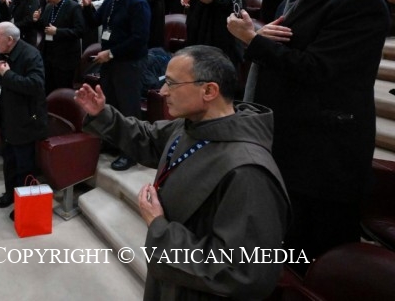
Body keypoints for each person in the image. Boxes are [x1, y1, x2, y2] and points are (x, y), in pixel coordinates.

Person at [75, 45, 289, 300]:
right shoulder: (193, 125)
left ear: (209, 90)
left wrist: (159, 228)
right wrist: (103, 115)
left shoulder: (248, 172)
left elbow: (243, 272)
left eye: (173, 84)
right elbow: (149, 139)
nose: (162, 91)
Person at [227, 0, 389, 271]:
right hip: (292, 134)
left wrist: (253, 40)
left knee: (323, 246)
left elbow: (318, 69)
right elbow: (290, 49)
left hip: (326, 146)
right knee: (290, 232)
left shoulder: (359, 2)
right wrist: (259, 34)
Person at [82, 0, 150, 171]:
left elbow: (139, 39)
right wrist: (87, 7)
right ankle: (112, 142)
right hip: (110, 63)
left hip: (129, 63)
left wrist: (111, 53)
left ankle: (131, 152)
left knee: (128, 108)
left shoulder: (138, 3)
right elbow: (95, 22)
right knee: (110, 103)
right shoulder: (111, 0)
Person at [0, 22, 47, 216]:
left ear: (10, 39)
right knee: (8, 160)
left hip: (25, 120)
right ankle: (10, 193)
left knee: (24, 165)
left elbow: (35, 85)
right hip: (6, 115)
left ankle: (25, 204)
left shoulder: (31, 55)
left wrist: (7, 75)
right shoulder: (3, 52)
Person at [33, 0, 86, 94]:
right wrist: (37, 21)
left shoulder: (73, 7)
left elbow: (80, 31)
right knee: (49, 88)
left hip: (65, 57)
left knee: (63, 89)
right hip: (49, 55)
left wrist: (58, 31)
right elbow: (44, 27)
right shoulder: (49, 6)